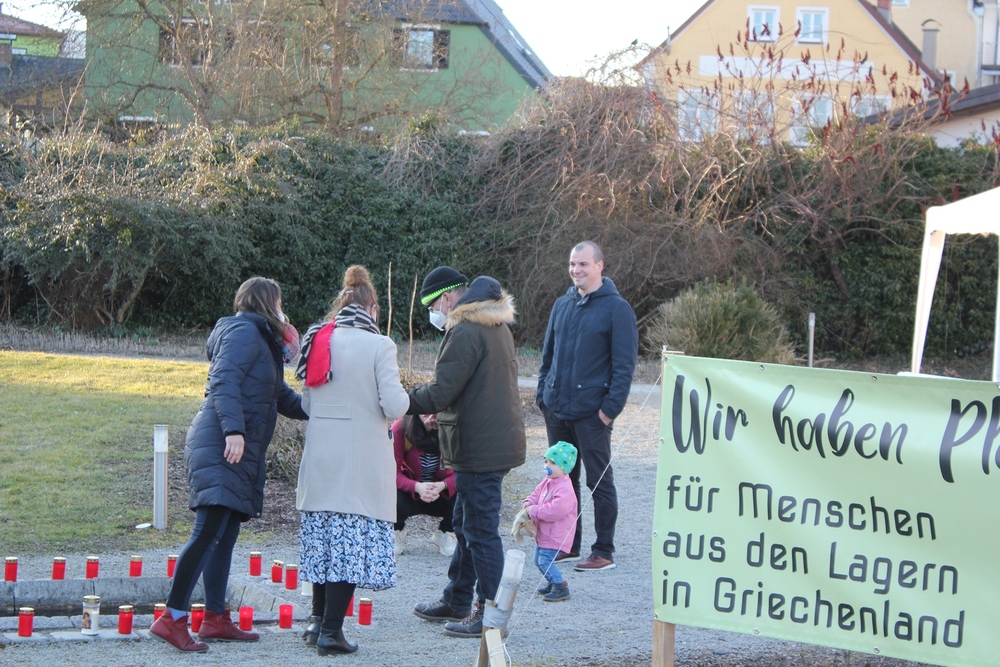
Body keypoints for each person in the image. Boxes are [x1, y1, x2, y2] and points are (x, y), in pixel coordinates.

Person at [150, 276, 307, 653]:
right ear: (267, 303)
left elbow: (280, 397)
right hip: (222, 443)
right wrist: (233, 430)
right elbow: (223, 380)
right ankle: (171, 618)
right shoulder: (243, 331)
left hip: (236, 448)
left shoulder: (261, 341)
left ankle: (215, 618)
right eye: (279, 302)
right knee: (207, 532)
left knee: (225, 534)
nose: (282, 310)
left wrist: (323, 407)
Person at [295, 265, 409, 656]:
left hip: (321, 458)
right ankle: (332, 632)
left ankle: (316, 623)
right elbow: (394, 405)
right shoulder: (380, 345)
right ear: (372, 308)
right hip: (359, 461)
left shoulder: (319, 337)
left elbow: (308, 403)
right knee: (347, 546)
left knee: (323, 541)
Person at [409, 266, 527, 638]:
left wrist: (400, 399)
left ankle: (490, 613)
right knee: (465, 521)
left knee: (479, 529)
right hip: (492, 439)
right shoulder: (494, 322)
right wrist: (443, 412)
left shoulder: (465, 329)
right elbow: (475, 387)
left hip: (479, 447)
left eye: (433, 307)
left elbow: (443, 390)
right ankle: (457, 598)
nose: (435, 315)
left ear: (446, 298)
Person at [536, 241, 638, 572]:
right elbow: (547, 356)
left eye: (583, 264)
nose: (576, 270)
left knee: (599, 482)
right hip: (557, 410)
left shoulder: (617, 309)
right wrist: (543, 397)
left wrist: (609, 411)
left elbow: (624, 367)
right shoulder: (561, 305)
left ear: (599, 266)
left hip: (592, 415)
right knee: (563, 482)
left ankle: (603, 550)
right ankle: (568, 545)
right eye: (572, 264)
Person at [392, 413, 458, 557]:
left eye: (436, 411)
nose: (431, 417)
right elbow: (391, 472)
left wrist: (444, 485)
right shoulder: (400, 428)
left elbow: (464, 472)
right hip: (410, 491)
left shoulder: (454, 428)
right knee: (390, 493)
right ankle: (396, 529)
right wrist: (416, 486)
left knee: (468, 492)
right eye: (425, 411)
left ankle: (446, 531)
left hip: (440, 491)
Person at [522, 441, 579, 602]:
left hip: (557, 534)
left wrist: (534, 511)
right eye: (546, 461)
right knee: (538, 560)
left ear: (564, 467)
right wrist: (529, 501)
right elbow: (536, 493)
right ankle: (552, 582)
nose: (547, 465)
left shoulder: (565, 488)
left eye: (553, 463)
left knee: (544, 560)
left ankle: (561, 586)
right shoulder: (548, 481)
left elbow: (555, 510)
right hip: (545, 532)